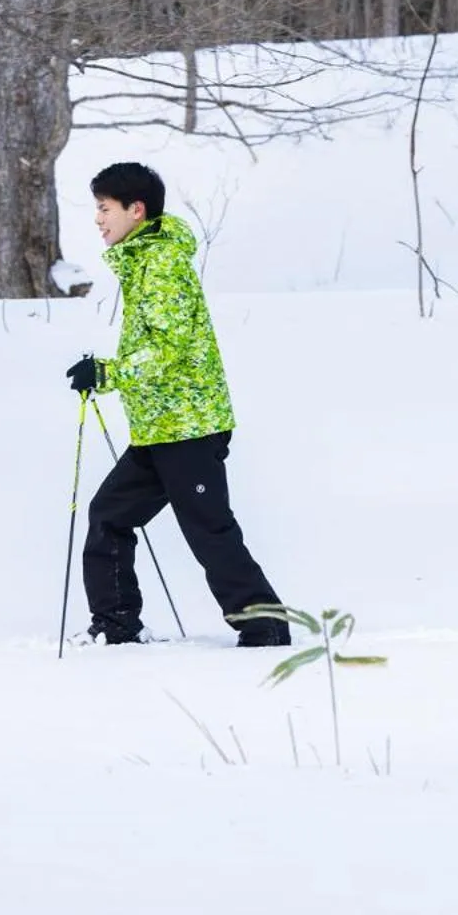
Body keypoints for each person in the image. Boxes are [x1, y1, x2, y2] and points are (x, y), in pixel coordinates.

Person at [65, 162, 291, 648]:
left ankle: (266, 629)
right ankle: (116, 626)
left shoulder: (162, 264)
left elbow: (170, 347)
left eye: (104, 209)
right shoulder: (143, 261)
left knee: (209, 530)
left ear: (136, 210)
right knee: (110, 515)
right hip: (160, 426)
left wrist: (108, 373)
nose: (98, 220)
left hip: (188, 427)